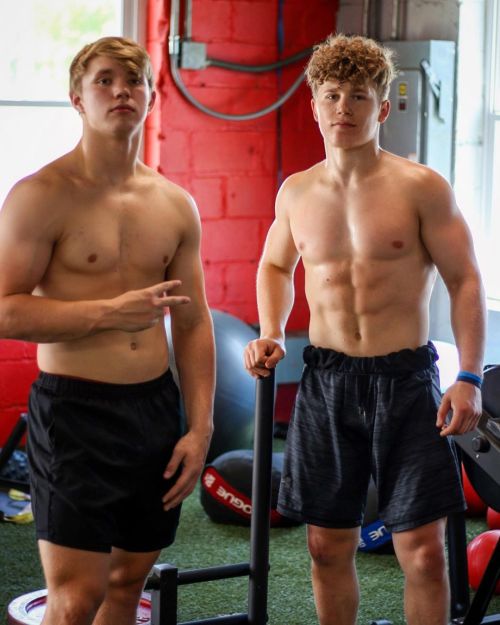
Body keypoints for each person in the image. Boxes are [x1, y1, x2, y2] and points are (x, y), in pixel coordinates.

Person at [244, 33, 486, 625]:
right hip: (327, 379)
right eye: (332, 95)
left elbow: (465, 280)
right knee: (326, 547)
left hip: (405, 380)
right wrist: (271, 328)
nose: (344, 108)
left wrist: (470, 376)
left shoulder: (421, 187)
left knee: (423, 553)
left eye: (359, 95)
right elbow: (275, 265)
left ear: (381, 108)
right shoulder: (297, 192)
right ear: (315, 106)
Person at [0, 36, 215, 625]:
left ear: (150, 96)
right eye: (104, 80)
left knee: (126, 586)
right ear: (77, 98)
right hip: (75, 414)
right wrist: (107, 312)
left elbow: (194, 322)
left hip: (153, 410)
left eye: (134, 80)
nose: (122, 91)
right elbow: (4, 310)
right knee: (76, 598)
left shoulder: (175, 204)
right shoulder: (39, 196)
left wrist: (200, 429)